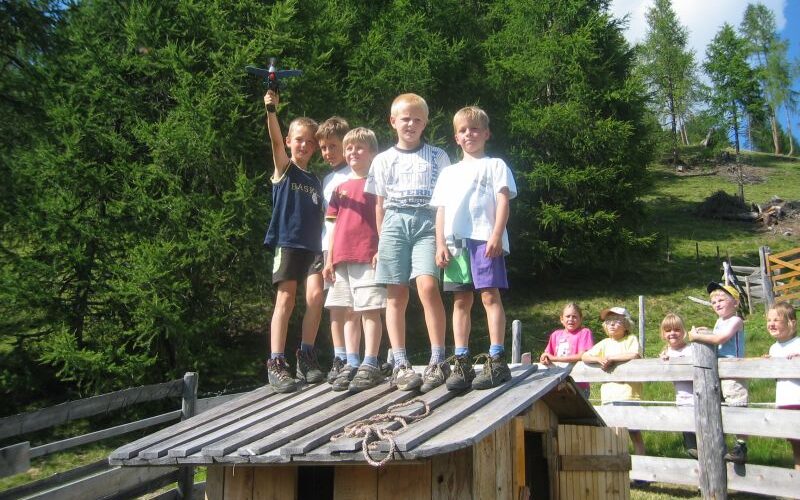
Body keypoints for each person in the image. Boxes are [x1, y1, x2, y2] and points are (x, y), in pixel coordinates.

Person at [364, 93, 450, 391]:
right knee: (395, 294)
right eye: (405, 119)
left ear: (425, 123)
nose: (410, 124)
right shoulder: (382, 159)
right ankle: (400, 362)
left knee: (427, 286)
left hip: (428, 221)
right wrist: (379, 243)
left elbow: (443, 203)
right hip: (393, 223)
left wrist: (442, 240)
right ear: (393, 122)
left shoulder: (438, 156)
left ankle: (439, 358)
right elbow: (378, 204)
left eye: (417, 119)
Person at [430, 105, 517, 391]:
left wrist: (496, 234)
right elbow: (441, 209)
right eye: (463, 130)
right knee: (460, 301)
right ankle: (463, 361)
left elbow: (503, 201)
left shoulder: (496, 165)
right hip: (455, 243)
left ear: (487, 133)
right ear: (456, 137)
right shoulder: (448, 173)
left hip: (484, 239)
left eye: (475, 129)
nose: (469, 134)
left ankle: (497, 359)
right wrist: (440, 242)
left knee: (490, 296)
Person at [262, 89, 325, 393]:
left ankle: (307, 355)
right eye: (298, 139)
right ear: (289, 141)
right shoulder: (284, 169)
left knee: (315, 298)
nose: (303, 145)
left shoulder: (316, 181)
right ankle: (276, 362)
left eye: (309, 141)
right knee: (285, 300)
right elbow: (273, 140)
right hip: (287, 243)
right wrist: (271, 111)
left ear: (315, 146)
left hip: (313, 248)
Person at [323, 128, 387, 392]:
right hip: (340, 259)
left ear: (372, 152)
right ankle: (352, 361)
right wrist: (329, 259)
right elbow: (332, 225)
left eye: (359, 148)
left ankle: (370, 362)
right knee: (348, 311)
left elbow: (384, 219)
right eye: (349, 148)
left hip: (367, 255)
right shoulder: (339, 187)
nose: (353, 153)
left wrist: (381, 249)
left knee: (369, 310)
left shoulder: (377, 183)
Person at [316, 116, 358, 384]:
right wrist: (326, 255)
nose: (328, 153)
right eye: (324, 148)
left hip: (355, 247)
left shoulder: (357, 173)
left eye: (333, 146)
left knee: (355, 304)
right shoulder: (328, 179)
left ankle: (355, 357)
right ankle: (339, 356)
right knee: (336, 305)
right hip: (329, 249)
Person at [688, 282, 748, 463]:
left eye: (722, 300)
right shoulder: (719, 322)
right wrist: (702, 331)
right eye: (713, 302)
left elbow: (721, 338)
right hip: (718, 370)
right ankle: (711, 444)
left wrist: (698, 336)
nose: (717, 304)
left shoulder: (736, 321)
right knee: (714, 406)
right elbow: (714, 335)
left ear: (735, 303)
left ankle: (741, 445)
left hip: (732, 370)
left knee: (737, 404)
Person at [581, 306, 646, 455]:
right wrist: (598, 358)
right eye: (609, 321)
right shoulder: (604, 343)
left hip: (628, 394)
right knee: (614, 432)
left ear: (626, 325)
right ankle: (618, 463)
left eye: (617, 321)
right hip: (609, 394)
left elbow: (634, 354)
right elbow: (585, 356)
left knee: (634, 430)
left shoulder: (630, 339)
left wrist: (611, 358)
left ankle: (641, 465)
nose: (612, 324)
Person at [764, 301, 800, 471]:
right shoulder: (773, 349)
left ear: (791, 322)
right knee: (796, 445)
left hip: (798, 399)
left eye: (776, 320)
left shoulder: (798, 344)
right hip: (785, 401)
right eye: (769, 320)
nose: (771, 324)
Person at [658, 313, 697, 458]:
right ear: (663, 334)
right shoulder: (666, 352)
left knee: (705, 435)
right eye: (668, 330)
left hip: (699, 398)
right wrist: (664, 362)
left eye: (676, 330)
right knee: (690, 442)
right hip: (682, 399)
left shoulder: (692, 349)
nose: (672, 333)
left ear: (684, 332)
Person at [540, 303, 594, 397]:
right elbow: (547, 354)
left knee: (579, 410)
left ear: (581, 319)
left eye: (574, 317)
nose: (571, 319)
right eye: (568, 316)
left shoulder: (584, 332)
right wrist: (544, 358)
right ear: (562, 319)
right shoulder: (556, 335)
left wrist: (555, 359)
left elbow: (582, 356)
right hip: (557, 383)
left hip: (578, 383)